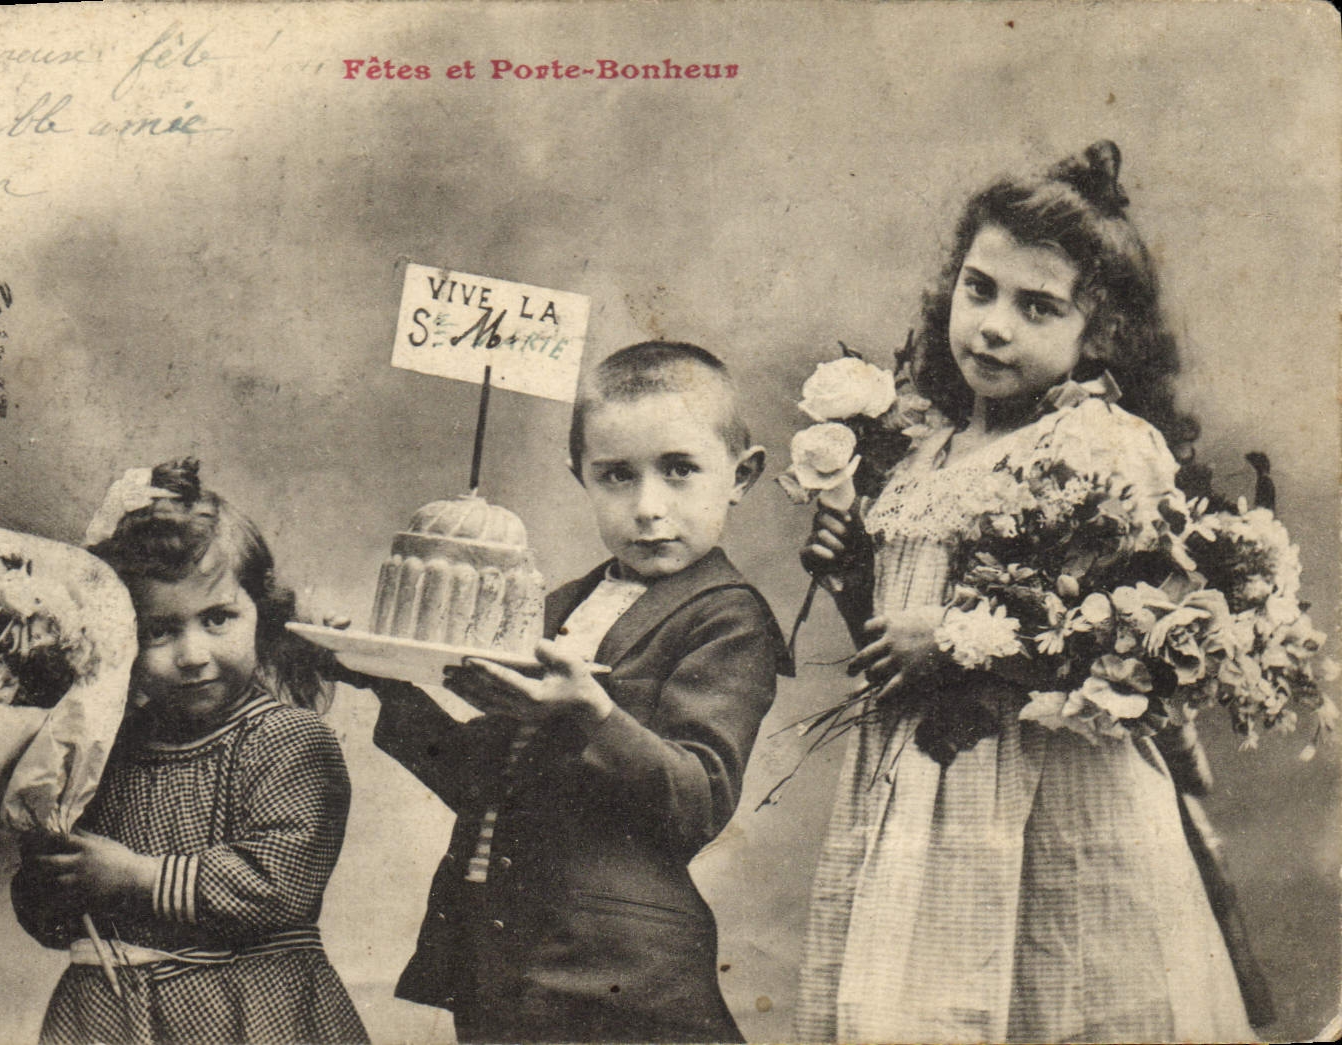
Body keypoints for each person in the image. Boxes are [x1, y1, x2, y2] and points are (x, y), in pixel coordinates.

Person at [790, 141, 1256, 1043]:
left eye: (1036, 307)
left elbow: (1123, 629)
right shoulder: (921, 451)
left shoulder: (1095, 443)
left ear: (1100, 335)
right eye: (979, 289)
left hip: (1050, 790)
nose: (993, 325)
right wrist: (852, 569)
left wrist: (961, 638)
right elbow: (889, 641)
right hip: (921, 796)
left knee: (1059, 991)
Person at [366, 341, 787, 1043]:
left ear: (741, 475)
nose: (649, 506)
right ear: (580, 476)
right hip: (500, 946)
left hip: (616, 971)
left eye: (680, 470)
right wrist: (383, 683)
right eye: (617, 475)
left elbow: (700, 797)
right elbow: (486, 776)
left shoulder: (727, 615)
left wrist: (591, 711)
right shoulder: (563, 604)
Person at [10, 459, 368, 1045]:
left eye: (219, 618)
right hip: (110, 1014)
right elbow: (55, 924)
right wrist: (50, 870)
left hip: (248, 1012)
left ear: (264, 617)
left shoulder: (286, 739)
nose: (193, 653)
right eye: (159, 631)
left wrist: (138, 878)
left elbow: (278, 883)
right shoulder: (103, 750)